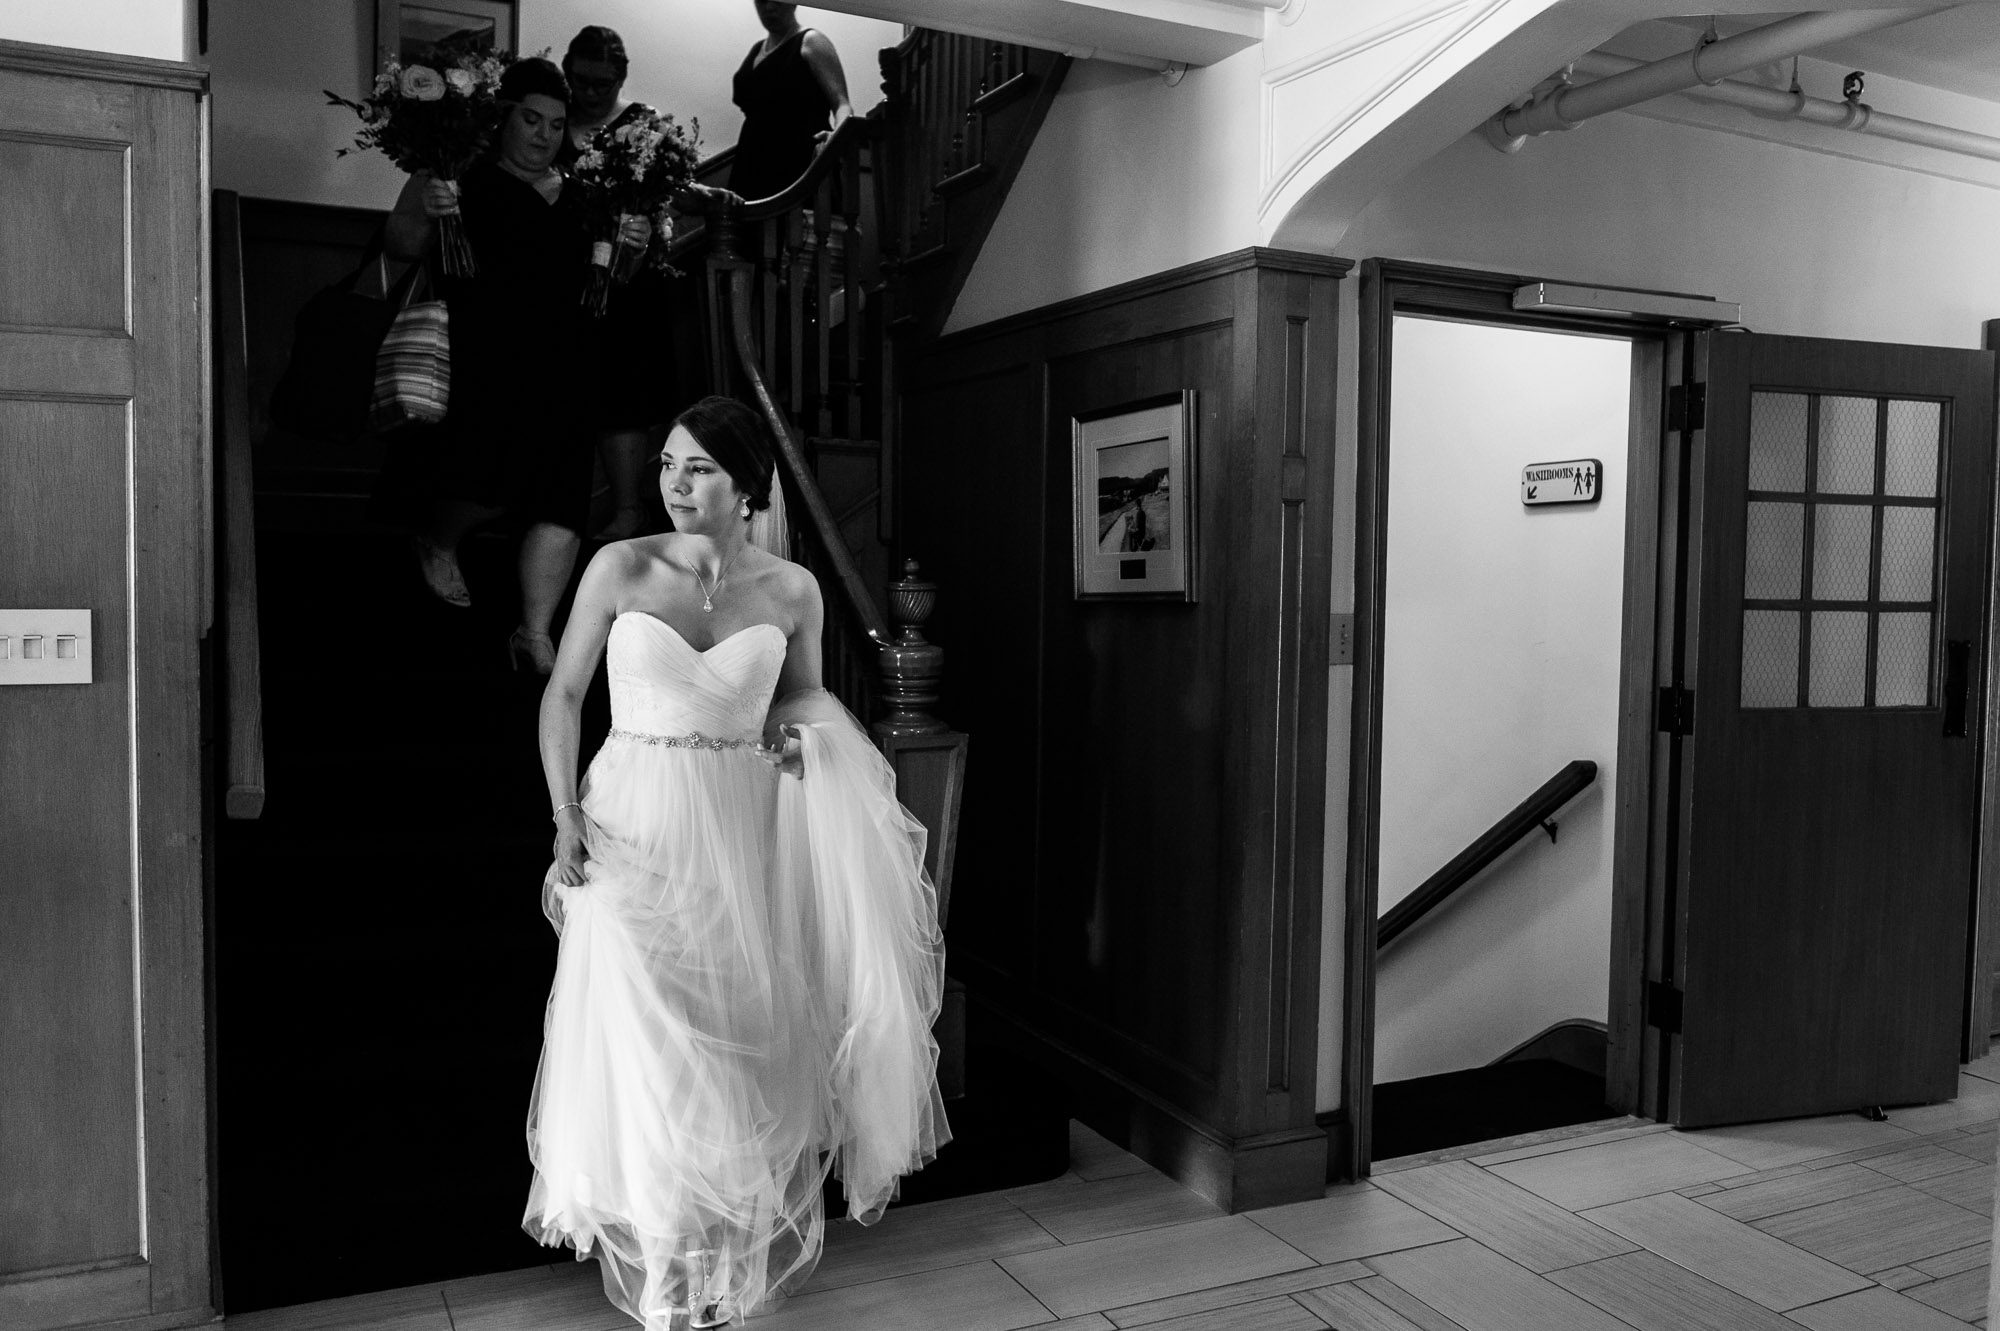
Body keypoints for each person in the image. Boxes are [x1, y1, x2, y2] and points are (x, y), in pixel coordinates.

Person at [523, 395, 949, 1329]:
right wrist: (564, 822)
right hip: (631, 824)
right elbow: (562, 697)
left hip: (741, 825)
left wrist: (804, 752)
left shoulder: (792, 590)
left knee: (740, 1040)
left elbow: (803, 703)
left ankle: (721, 1255)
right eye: (668, 463)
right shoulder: (619, 566)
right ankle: (670, 1269)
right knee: (649, 1042)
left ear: (748, 484)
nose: (675, 482)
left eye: (700, 468)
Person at [379, 56, 651, 673]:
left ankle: (534, 632)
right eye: (531, 119)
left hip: (568, 360)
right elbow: (399, 246)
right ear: (504, 118)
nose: (544, 134)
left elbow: (611, 281)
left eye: (556, 124)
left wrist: (630, 248)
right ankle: (439, 538)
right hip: (485, 359)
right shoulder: (462, 177)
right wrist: (426, 205)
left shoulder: (587, 196)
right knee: (491, 478)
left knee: (561, 500)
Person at [560, 25, 676, 541]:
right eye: (581, 81)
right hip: (561, 273)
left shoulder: (643, 125)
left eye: (601, 84)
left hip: (627, 279)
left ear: (620, 78)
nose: (589, 93)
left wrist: (644, 230)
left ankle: (629, 507)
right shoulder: (552, 118)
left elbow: (663, 201)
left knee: (623, 390)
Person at [729, 2, 854, 201]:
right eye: (762, 0)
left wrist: (835, 140)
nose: (769, 7)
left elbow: (842, 104)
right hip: (751, 164)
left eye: (777, 0)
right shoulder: (756, 49)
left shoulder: (811, 41)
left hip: (797, 163)